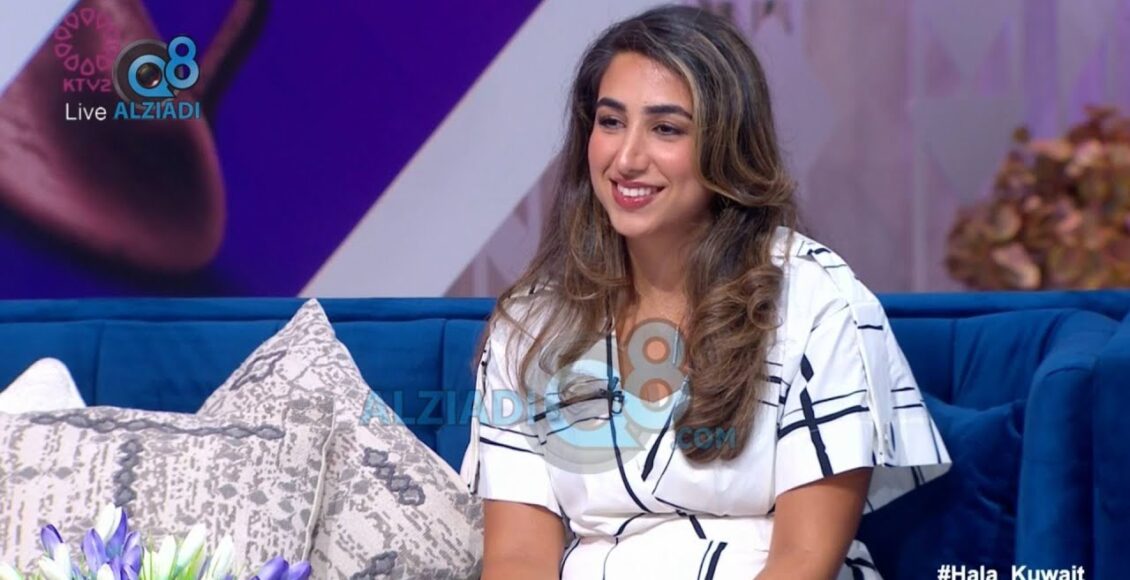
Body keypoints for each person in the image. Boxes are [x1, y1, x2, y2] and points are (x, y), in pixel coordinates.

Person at [459, 5, 951, 579]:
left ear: (726, 145)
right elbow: (518, 559)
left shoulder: (813, 298)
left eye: (666, 128)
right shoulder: (532, 322)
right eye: (611, 122)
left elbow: (803, 561)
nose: (626, 159)